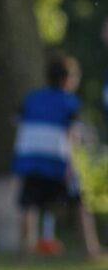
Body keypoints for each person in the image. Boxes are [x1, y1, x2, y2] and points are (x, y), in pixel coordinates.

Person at [12, 54, 101, 259]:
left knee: (28, 206)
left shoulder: (31, 98)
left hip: (30, 160)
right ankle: (91, 248)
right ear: (67, 79)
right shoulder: (70, 102)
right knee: (79, 203)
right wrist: (72, 164)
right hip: (57, 162)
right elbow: (72, 134)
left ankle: (24, 251)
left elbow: (17, 122)